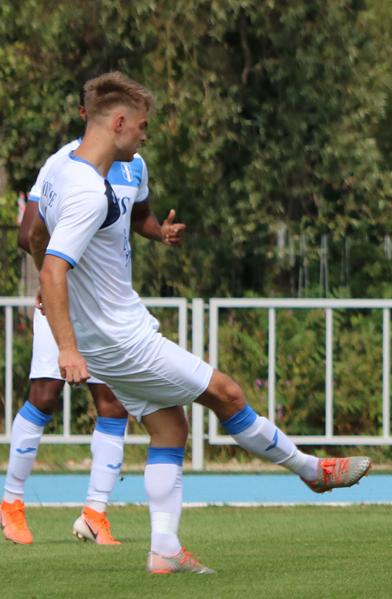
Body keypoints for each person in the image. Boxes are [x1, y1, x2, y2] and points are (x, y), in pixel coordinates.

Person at [33, 71, 371, 574]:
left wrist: (64, 308)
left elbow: (36, 235)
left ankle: (164, 549)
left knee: (170, 426)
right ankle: (311, 470)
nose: (145, 136)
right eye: (142, 126)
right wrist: (66, 348)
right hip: (121, 340)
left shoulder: (62, 169)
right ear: (119, 122)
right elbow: (53, 268)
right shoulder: (89, 191)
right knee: (226, 392)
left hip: (108, 336)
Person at [3, 89, 185, 547]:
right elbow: (29, 232)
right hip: (63, 300)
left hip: (108, 313)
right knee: (45, 394)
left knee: (113, 403)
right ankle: (10, 504)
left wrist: (160, 232)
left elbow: (137, 217)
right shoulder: (61, 164)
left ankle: (94, 514)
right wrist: (54, 273)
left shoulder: (135, 165)